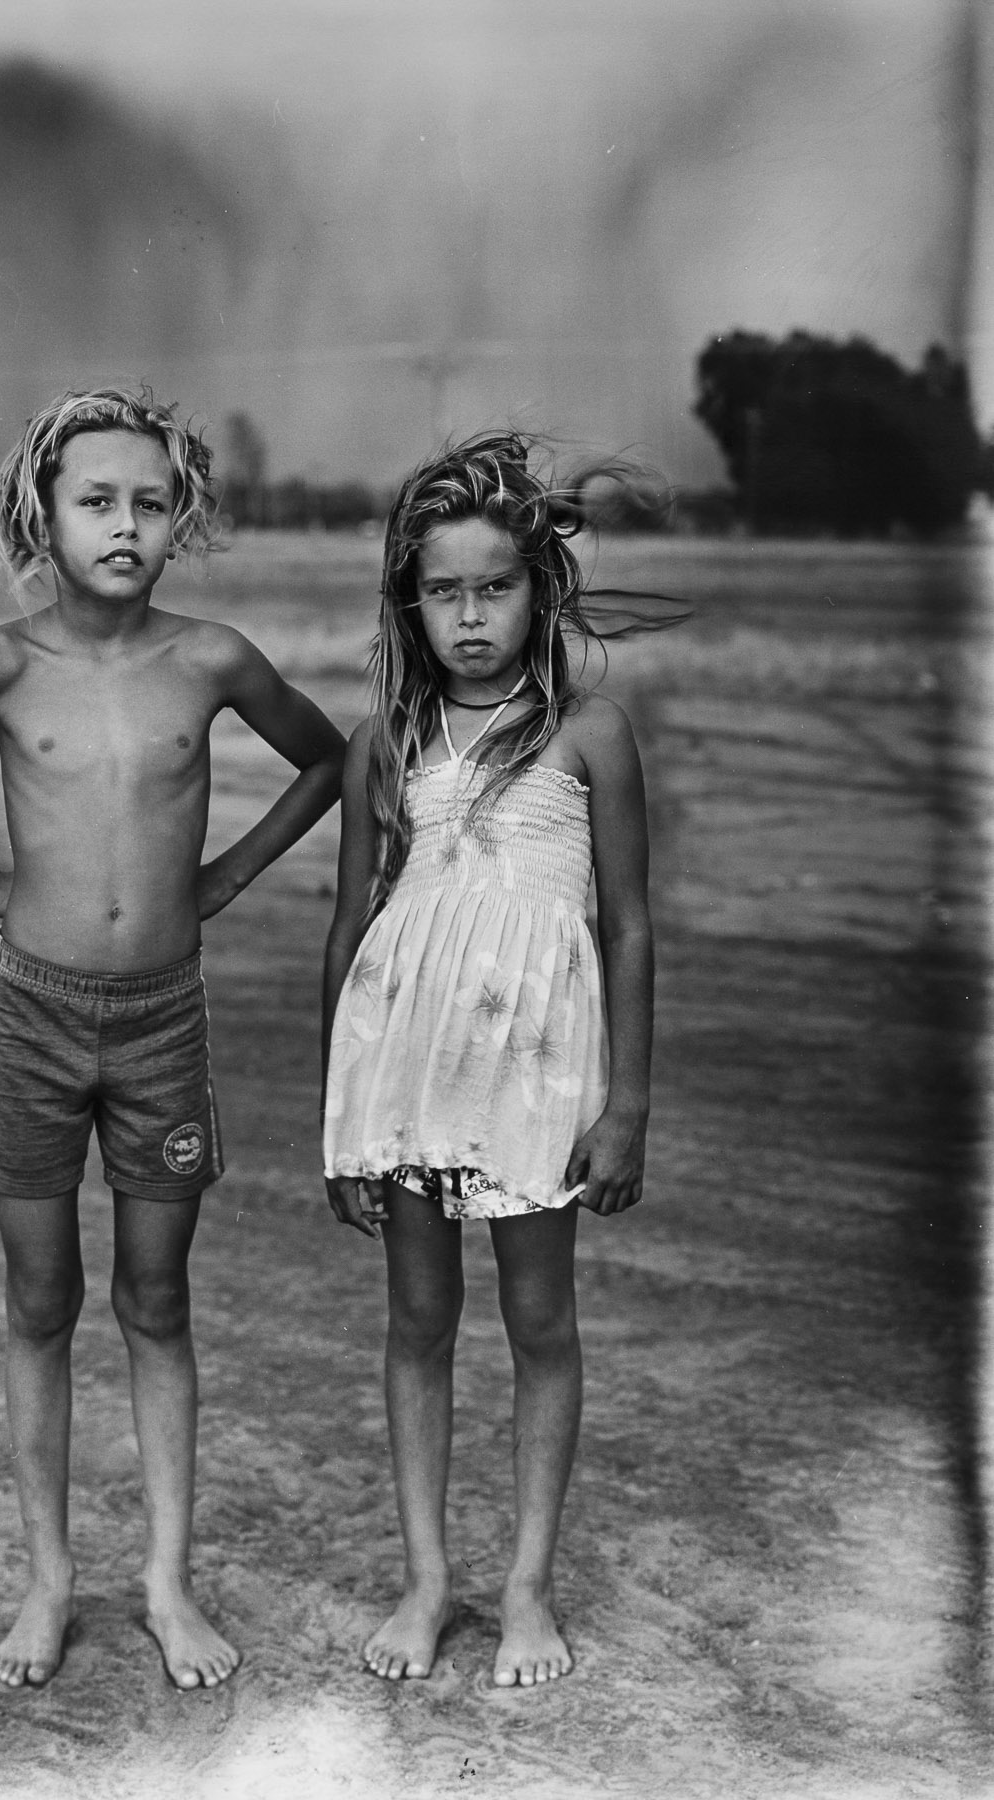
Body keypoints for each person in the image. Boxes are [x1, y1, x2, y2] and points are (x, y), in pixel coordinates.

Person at [0, 388, 346, 1691]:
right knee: (42, 1301)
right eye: (96, 500)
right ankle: (50, 1582)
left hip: (164, 1020)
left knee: (157, 1300)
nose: (125, 524)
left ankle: (167, 1584)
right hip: (38, 1016)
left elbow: (330, 762)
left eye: (150, 502)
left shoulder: (213, 659)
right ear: (41, 515)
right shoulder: (0, 664)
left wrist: (226, 879)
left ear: (182, 518)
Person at [321, 432, 657, 1689]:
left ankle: (525, 1588)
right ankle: (427, 1581)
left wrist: (626, 1105)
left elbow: (626, 925)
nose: (471, 615)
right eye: (445, 590)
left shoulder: (589, 735)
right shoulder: (385, 746)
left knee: (538, 1322)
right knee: (417, 1321)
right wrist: (337, 1120)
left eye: (496, 587)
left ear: (541, 592)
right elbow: (350, 937)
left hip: (534, 1078)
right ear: (411, 602)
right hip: (407, 1080)